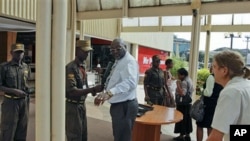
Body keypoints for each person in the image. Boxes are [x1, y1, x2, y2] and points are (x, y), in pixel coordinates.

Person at [94, 38, 139, 141]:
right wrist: (104, 94)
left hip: (124, 106)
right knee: (118, 135)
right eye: (112, 50)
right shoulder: (119, 60)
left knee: (122, 137)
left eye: (118, 49)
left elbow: (130, 82)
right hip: (119, 105)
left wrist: (110, 93)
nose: (115, 52)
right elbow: (115, 79)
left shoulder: (129, 61)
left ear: (125, 47)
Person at [207, 50, 250, 141]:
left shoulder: (230, 92)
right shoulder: (246, 85)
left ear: (224, 70)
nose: (212, 70)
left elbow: (215, 137)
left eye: (214, 66)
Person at [65, 40, 103, 141]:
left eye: (88, 52)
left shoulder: (82, 67)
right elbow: (72, 91)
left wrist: (92, 90)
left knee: (83, 135)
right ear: (77, 51)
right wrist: (92, 89)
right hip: (73, 107)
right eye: (85, 51)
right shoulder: (71, 68)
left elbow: (83, 87)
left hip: (81, 105)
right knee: (74, 136)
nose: (87, 54)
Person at [0, 43, 31, 141]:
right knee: (8, 130)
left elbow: (26, 83)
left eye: (21, 52)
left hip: (24, 102)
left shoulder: (26, 67)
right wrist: (14, 91)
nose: (19, 55)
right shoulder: (4, 67)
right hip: (10, 103)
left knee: (22, 130)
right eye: (17, 52)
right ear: (11, 53)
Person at [196, 67, 223, 141]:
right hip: (216, 104)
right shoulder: (222, 79)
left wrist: (201, 90)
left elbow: (208, 93)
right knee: (210, 126)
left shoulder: (211, 77)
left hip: (207, 105)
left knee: (200, 125)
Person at [173, 68, 194, 141]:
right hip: (188, 103)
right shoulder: (189, 79)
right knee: (187, 119)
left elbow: (182, 93)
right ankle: (187, 135)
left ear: (183, 75)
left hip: (183, 104)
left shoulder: (184, 82)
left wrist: (178, 85)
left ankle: (181, 136)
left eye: (179, 74)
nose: (178, 76)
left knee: (182, 119)